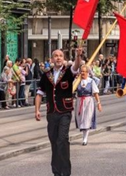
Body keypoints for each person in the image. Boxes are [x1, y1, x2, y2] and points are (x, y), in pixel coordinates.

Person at [35, 48, 82, 176]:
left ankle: (65, 172)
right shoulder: (46, 74)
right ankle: (56, 171)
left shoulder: (68, 72)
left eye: (61, 56)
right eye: (56, 56)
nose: (58, 58)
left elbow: (76, 66)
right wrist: (37, 110)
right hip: (51, 112)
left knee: (62, 139)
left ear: (64, 58)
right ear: (52, 59)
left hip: (64, 112)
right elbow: (39, 94)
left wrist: (78, 55)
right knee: (54, 141)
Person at [74, 65, 102, 145]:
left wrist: (98, 103)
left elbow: (95, 93)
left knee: (87, 119)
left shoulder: (91, 81)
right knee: (81, 119)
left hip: (88, 101)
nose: (82, 73)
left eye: (83, 71)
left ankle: (85, 138)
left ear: (87, 72)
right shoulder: (77, 81)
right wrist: (76, 80)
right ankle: (84, 135)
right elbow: (72, 89)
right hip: (79, 101)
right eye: (81, 71)